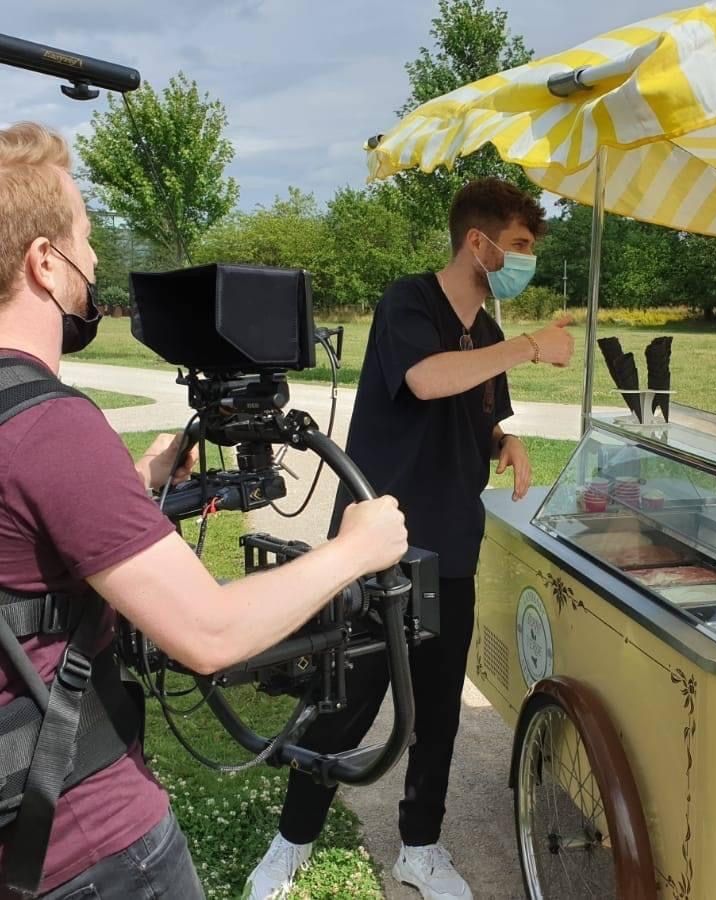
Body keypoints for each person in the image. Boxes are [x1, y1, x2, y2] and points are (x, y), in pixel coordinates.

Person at [0, 122, 408, 899]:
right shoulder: (52, 425)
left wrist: (131, 478)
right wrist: (356, 548)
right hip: (89, 847)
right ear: (44, 262)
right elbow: (211, 637)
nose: (93, 263)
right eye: (84, 239)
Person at [247, 177, 575, 900]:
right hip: (377, 543)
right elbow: (427, 381)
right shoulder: (407, 302)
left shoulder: (486, 332)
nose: (525, 261)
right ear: (477, 243)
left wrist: (506, 442)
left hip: (451, 546)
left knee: (437, 713)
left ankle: (420, 847)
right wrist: (530, 346)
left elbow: (473, 409)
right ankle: (291, 841)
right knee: (348, 701)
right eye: (518, 246)